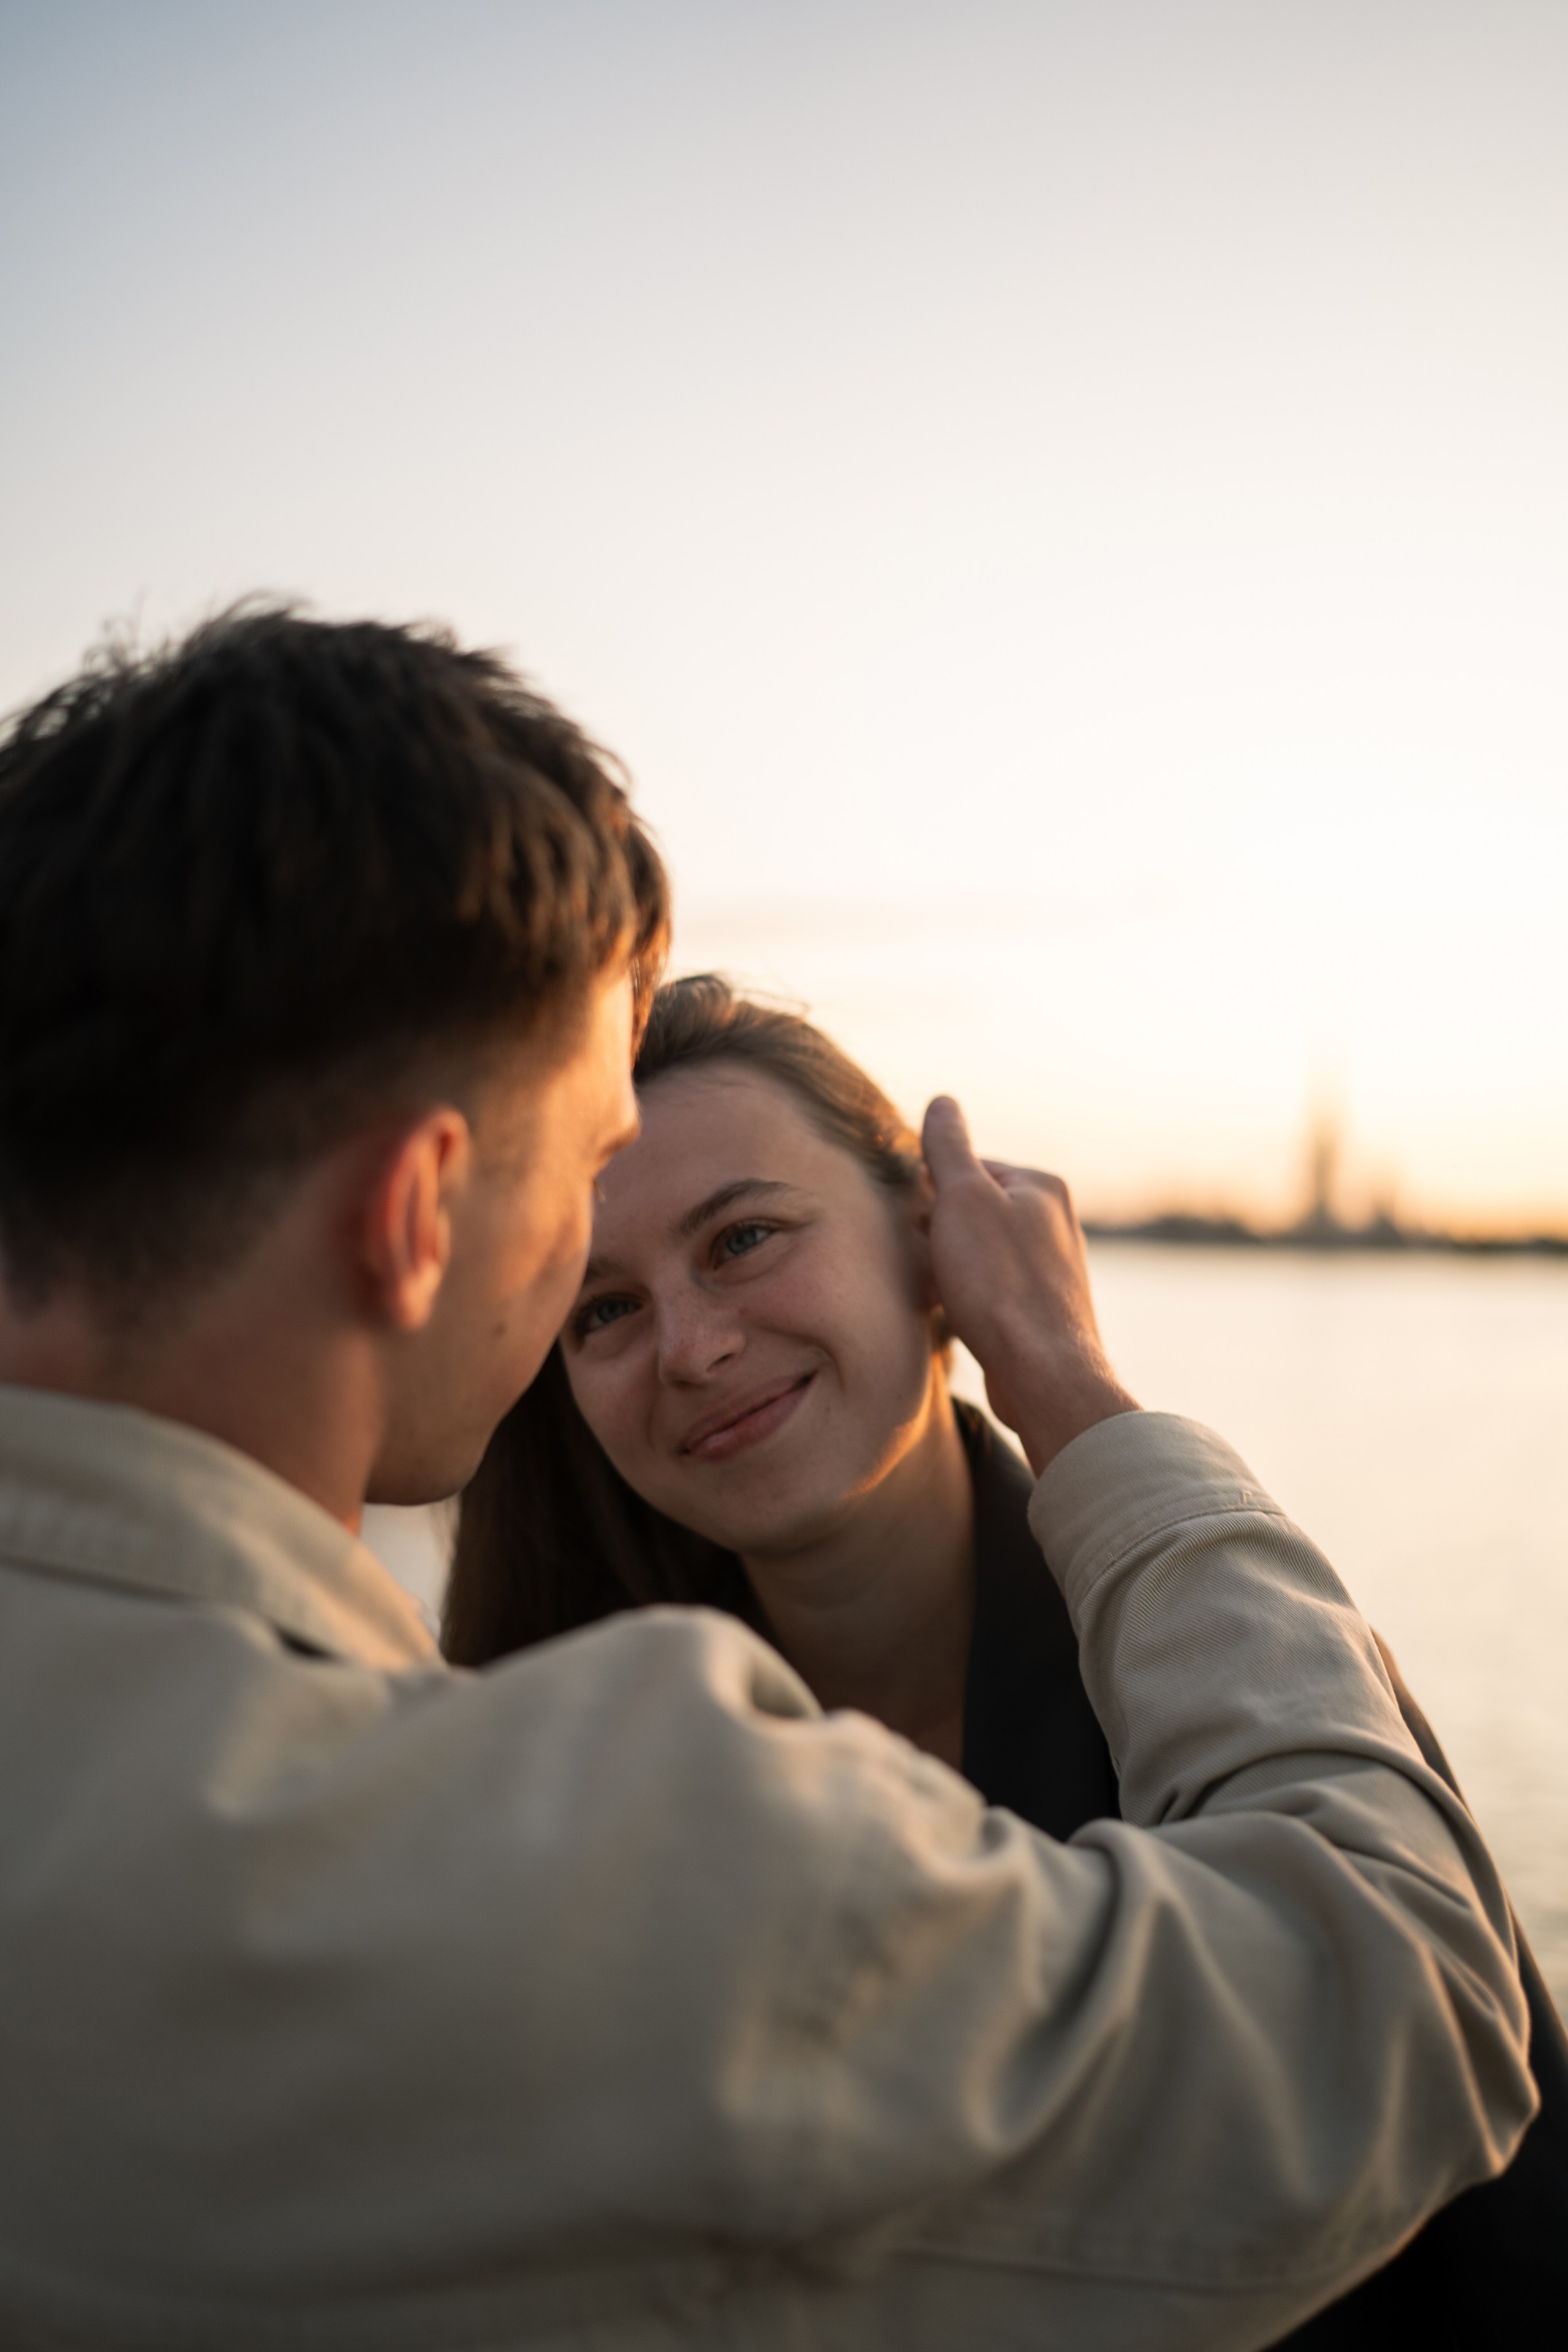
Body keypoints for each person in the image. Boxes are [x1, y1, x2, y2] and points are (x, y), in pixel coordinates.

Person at [0, 610, 1537, 2352]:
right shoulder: (598, 1854)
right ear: (417, 1213)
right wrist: (1092, 1407)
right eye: (584, 1211)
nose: (684, 1342)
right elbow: (1402, 2003)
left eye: (743, 1237)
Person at [447, 974, 1568, 2342]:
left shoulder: (1231, 1685)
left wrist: (1057, 1368)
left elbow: (1491, 2191)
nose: (690, 1346)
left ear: (937, 1246)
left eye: (741, 1238)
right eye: (603, 1309)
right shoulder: (563, 1771)